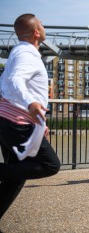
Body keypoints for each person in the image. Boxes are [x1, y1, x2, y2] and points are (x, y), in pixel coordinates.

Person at [0, 13, 61, 220]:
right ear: (36, 32)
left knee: (15, 176)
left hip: (10, 120)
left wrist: (40, 123)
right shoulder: (26, 55)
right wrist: (31, 104)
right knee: (49, 165)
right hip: (16, 122)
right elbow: (17, 80)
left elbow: (6, 83)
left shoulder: (19, 53)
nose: (44, 27)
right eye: (41, 25)